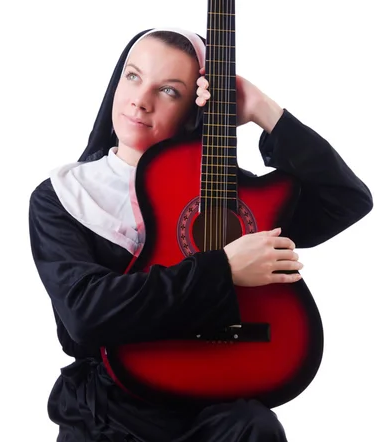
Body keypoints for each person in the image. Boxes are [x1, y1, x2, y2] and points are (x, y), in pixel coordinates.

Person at [29, 27, 373, 442]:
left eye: (169, 91)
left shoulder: (231, 199)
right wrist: (223, 269)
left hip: (219, 405)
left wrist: (264, 110)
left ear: (196, 110)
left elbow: (346, 199)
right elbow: (86, 313)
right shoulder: (63, 196)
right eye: (133, 76)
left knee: (257, 428)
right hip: (109, 414)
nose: (141, 100)